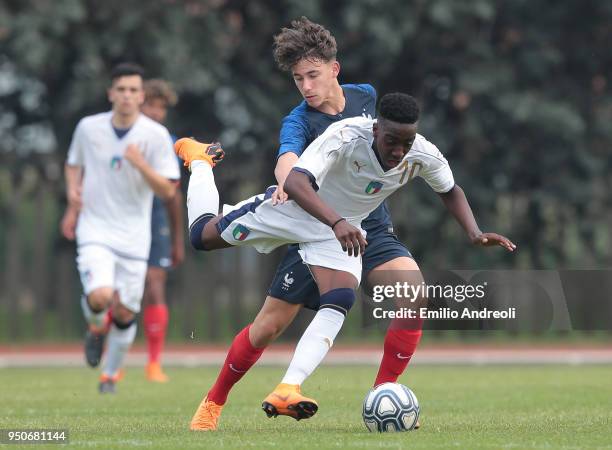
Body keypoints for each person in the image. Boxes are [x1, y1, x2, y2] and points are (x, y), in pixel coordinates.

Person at [179, 92, 516, 428]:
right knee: (202, 236)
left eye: (406, 142)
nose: (399, 151)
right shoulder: (344, 136)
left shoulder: (422, 152)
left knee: (340, 297)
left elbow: (450, 189)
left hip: (339, 230)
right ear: (375, 131)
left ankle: (288, 388)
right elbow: (296, 182)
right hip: (295, 211)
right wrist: (337, 221)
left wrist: (473, 233)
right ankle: (199, 161)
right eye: (391, 141)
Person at [188, 17, 436, 431]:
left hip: (369, 227)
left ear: (334, 70)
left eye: (313, 75)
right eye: (298, 78)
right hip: (315, 225)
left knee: (412, 294)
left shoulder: (365, 97)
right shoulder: (298, 120)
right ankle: (213, 403)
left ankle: (381, 395)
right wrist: (288, 178)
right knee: (268, 327)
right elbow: (287, 156)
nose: (306, 86)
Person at [60, 63, 181, 393]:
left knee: (127, 311)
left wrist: (141, 164)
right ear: (111, 93)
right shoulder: (88, 128)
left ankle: (109, 376)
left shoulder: (154, 136)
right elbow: (74, 164)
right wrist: (73, 198)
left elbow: (168, 190)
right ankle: (97, 326)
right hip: (95, 228)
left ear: (141, 96)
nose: (126, 96)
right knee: (99, 297)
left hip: (134, 235)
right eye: (121, 89)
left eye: (133, 90)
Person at [141, 79, 185, 383]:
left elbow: (173, 193)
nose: (156, 112)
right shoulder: (119, 135)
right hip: (118, 216)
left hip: (154, 216)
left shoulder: (167, 140)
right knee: (119, 293)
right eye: (151, 105)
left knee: (155, 283)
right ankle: (107, 353)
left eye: (161, 107)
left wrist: (178, 239)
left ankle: (154, 363)